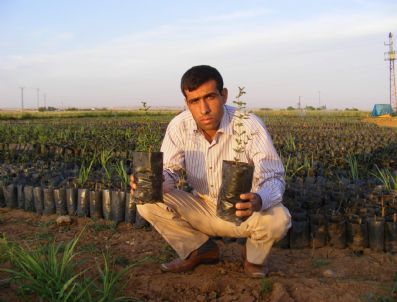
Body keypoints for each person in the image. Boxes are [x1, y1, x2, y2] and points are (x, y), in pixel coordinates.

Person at [130, 65, 291, 278]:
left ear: (224, 95)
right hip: (202, 206)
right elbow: (171, 169)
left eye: (210, 97)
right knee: (147, 199)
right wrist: (160, 181)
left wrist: (258, 200)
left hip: (242, 210)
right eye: (194, 101)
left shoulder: (248, 125)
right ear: (186, 103)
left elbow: (273, 176)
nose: (203, 109)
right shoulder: (180, 126)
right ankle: (199, 249)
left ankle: (254, 258)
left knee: (279, 219)